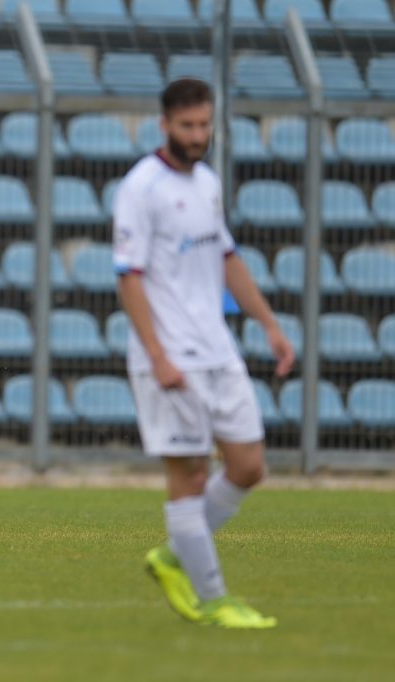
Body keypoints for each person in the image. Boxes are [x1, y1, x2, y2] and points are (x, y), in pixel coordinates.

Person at [112, 79, 295, 629]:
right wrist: (157, 355)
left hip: (218, 348)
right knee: (191, 475)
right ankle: (214, 599)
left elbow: (228, 259)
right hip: (171, 355)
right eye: (187, 126)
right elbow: (128, 277)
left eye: (204, 125)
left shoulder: (209, 184)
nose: (197, 135)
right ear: (164, 125)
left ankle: (172, 556)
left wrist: (269, 324)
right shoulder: (141, 188)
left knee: (248, 466)